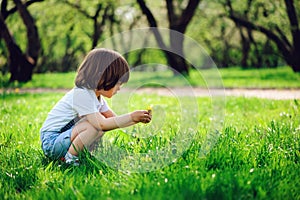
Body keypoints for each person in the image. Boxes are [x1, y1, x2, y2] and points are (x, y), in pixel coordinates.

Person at [40, 48, 152, 166]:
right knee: (94, 125)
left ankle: (86, 154)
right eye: (118, 83)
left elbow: (114, 120)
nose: (119, 88)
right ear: (103, 77)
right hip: (52, 142)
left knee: (99, 123)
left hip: (62, 139)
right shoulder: (81, 94)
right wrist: (132, 117)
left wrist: (137, 120)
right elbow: (102, 124)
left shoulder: (97, 97)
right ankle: (70, 158)